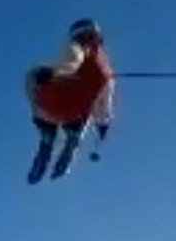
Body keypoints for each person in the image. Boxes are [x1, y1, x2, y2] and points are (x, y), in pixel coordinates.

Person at [25, 18, 116, 183]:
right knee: (89, 106)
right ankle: (74, 138)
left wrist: (50, 74)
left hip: (48, 109)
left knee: (30, 76)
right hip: (73, 116)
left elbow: (70, 63)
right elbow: (102, 107)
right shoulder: (106, 72)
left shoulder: (76, 47)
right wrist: (103, 124)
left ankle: (47, 136)